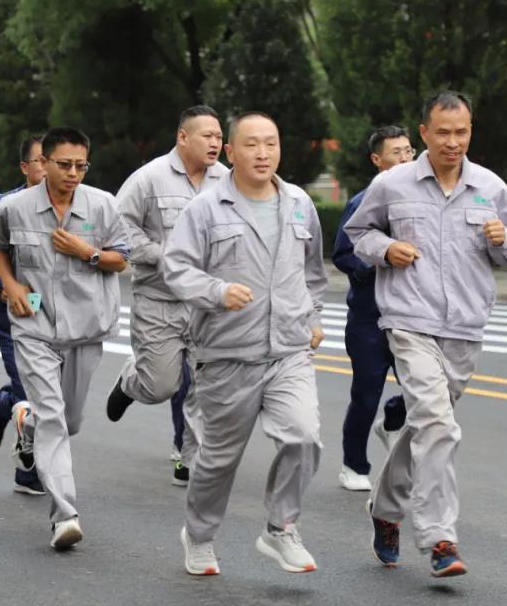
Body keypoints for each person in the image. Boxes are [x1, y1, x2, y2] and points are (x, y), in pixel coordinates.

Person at [344, 90, 507, 578]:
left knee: (427, 426)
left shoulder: (491, 188)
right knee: (439, 425)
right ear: (424, 132)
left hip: (465, 327)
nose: (452, 142)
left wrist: (503, 241)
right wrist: (386, 248)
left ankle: (384, 508)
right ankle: (440, 536)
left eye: (461, 132)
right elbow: (357, 234)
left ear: (470, 131)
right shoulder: (392, 184)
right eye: (442, 132)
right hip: (408, 321)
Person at [163, 113, 327, 577]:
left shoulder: (298, 202)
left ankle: (280, 527)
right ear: (231, 153)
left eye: (270, 144)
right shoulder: (207, 207)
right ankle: (198, 536)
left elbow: (312, 272)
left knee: (303, 437)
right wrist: (216, 291)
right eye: (251, 145)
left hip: (288, 352)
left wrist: (313, 317)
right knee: (218, 460)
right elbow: (176, 269)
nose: (262, 153)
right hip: (227, 355)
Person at [0, 127, 129, 550]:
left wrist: (85, 252)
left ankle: (24, 421)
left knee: (69, 422)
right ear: (43, 163)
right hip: (34, 325)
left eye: (80, 165)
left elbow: (122, 259)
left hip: (86, 326)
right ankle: (64, 514)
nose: (72, 173)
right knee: (55, 419)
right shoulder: (10, 208)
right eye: (64, 164)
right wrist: (10, 284)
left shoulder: (103, 205)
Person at [106, 105, 227, 487]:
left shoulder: (227, 181)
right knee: (162, 386)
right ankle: (130, 380)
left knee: (206, 385)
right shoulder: (149, 178)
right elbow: (119, 228)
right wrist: (163, 256)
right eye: (207, 136)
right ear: (182, 137)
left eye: (220, 137)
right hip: (159, 300)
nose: (215, 143)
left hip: (207, 303)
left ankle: (190, 460)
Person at [332, 125, 414, 491]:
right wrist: (379, 260)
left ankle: (392, 420)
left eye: (409, 151)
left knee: (427, 390)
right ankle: (353, 465)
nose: (404, 158)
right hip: (370, 317)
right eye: (395, 152)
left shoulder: (422, 202)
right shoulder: (364, 202)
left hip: (414, 315)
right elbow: (343, 254)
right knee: (366, 393)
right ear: (377, 160)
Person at [0, 134, 46, 497]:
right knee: (33, 398)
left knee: (55, 400)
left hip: (63, 321)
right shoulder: (5, 207)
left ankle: (5, 403)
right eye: (41, 161)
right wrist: (2, 285)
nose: (50, 169)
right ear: (25, 167)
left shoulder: (79, 207)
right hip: (16, 317)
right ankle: (28, 472)